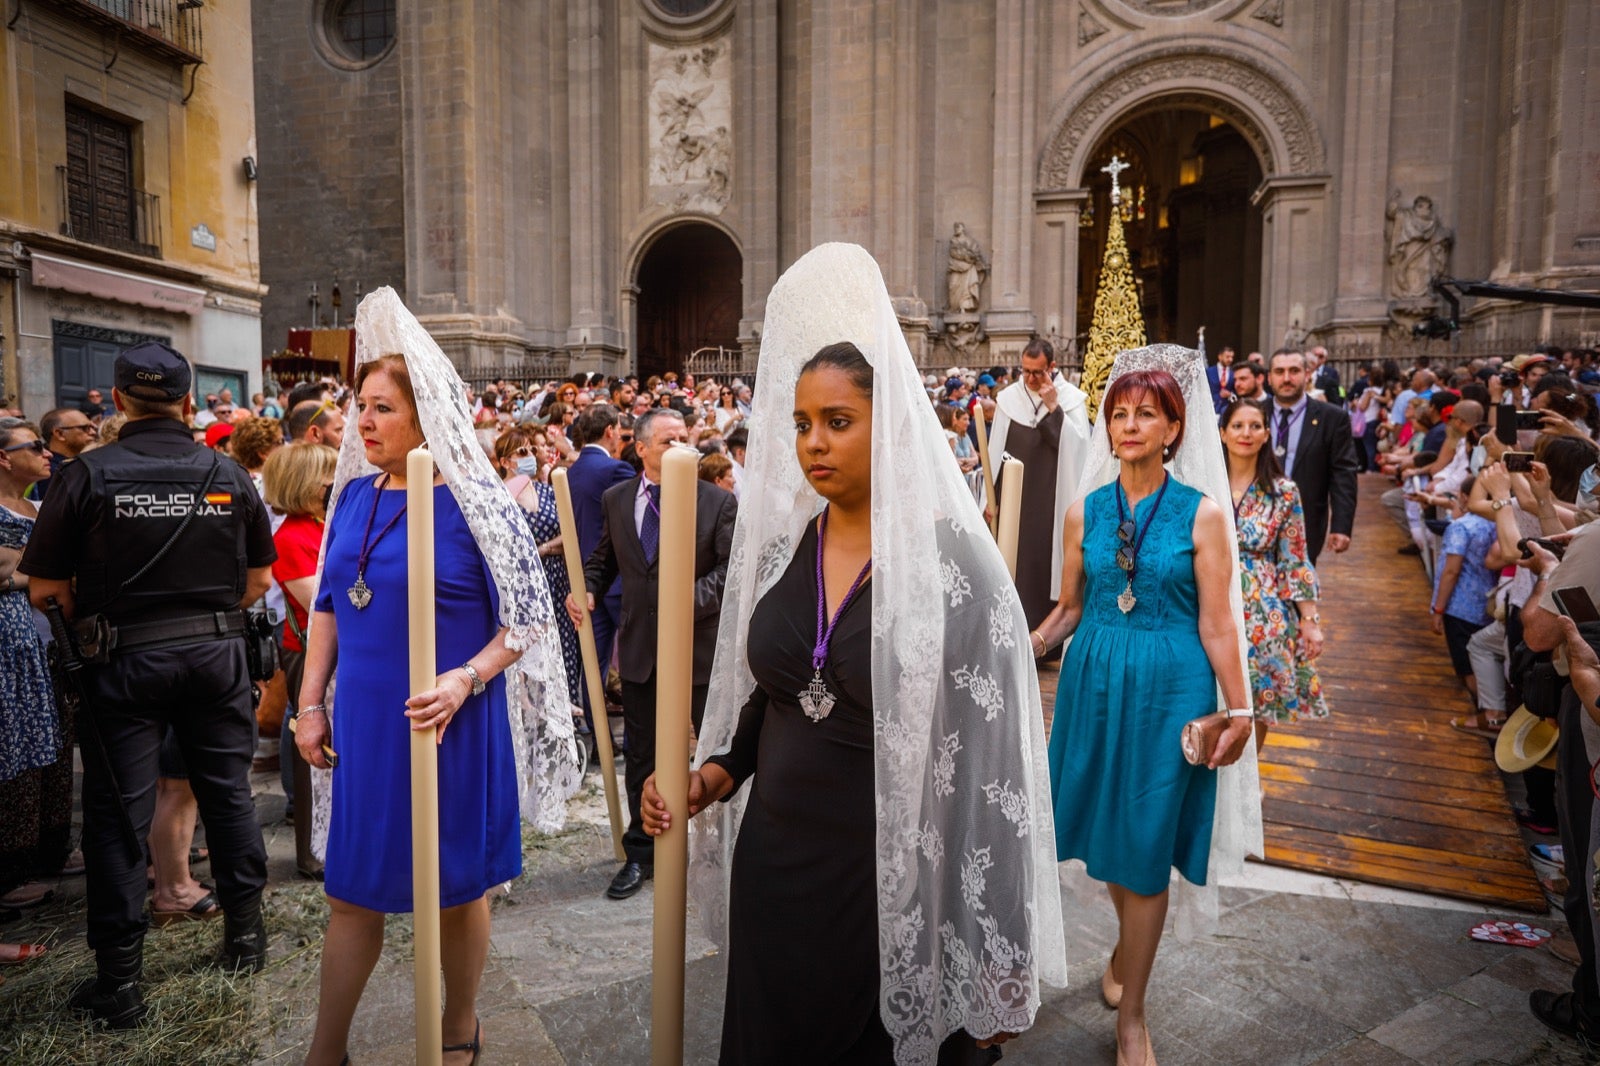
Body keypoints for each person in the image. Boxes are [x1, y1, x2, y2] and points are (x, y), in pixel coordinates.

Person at [656, 243, 1064, 1064]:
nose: (814, 443)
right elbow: (772, 692)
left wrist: (998, 947)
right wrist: (713, 775)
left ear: (893, 427)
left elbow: (996, 770)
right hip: (773, 868)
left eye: (838, 422)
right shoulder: (782, 551)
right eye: (802, 424)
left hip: (889, 880)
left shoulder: (952, 565)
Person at [292, 290, 579, 1065]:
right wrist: (310, 703)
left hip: (452, 719)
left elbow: (526, 621)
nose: (364, 422)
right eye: (360, 406)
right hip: (368, 724)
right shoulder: (351, 495)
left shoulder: (482, 506)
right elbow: (327, 606)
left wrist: (464, 679)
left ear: (425, 417)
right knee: (350, 892)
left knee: (457, 891)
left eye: (382, 407)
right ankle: (326, 1050)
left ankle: (460, 1026)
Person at [19, 343, 275, 1027]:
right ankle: (247, 941)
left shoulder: (85, 474)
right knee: (228, 798)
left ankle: (121, 984)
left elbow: (47, 591)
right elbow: (259, 582)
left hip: (122, 663)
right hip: (216, 658)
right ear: (189, 402)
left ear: (120, 398)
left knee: (117, 819)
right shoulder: (226, 471)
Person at [1035, 347, 1261, 1066]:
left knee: (1148, 847)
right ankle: (1125, 958)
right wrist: (1019, 644)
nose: (1129, 426)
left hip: (1172, 689)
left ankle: (1131, 1015)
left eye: (1147, 414)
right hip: (1093, 683)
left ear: (1173, 428)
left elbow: (1219, 622)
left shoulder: (1202, 516)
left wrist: (1241, 710)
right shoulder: (1083, 512)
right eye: (1119, 414)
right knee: (1109, 840)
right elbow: (1069, 607)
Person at [567, 407, 737, 901]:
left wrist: (685, 601)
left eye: (686, 438)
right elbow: (604, 559)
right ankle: (643, 853)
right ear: (640, 448)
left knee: (714, 749)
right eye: (668, 440)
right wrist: (587, 590)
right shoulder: (618, 499)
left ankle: (719, 849)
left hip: (699, 651)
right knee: (641, 758)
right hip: (642, 650)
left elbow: (730, 572)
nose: (682, 446)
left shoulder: (716, 503)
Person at [0, 418, 73, 940]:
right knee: (15, 747)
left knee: (51, 741)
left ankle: (48, 851)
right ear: (5, 458)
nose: (47, 454)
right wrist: (36, 574)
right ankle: (10, 871)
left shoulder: (40, 506)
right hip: (10, 644)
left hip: (47, 643)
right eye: (34, 447)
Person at [1220, 399, 1327, 738]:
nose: (1246, 433)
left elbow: (1294, 558)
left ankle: (1251, 788)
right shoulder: (1203, 488)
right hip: (1211, 599)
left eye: (1255, 426)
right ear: (1222, 433)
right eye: (1237, 426)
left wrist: (1309, 621)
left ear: (1267, 434)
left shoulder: (1283, 492)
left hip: (1264, 610)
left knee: (1259, 700)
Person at [261, 441, 338, 879]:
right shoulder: (291, 536)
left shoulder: (319, 525)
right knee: (315, 746)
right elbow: (322, 604)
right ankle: (314, 852)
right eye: (327, 477)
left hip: (323, 647)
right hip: (306, 651)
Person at [986, 337, 1091, 654]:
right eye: (1026, 371)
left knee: (1048, 563)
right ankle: (1014, 639)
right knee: (1015, 565)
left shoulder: (1071, 400)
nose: (1030, 378)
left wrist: (1052, 407)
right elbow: (995, 451)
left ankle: (1049, 642)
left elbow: (1079, 451)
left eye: (1037, 372)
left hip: (1053, 499)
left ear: (1052, 368)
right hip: (1015, 502)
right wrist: (990, 499)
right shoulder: (1008, 398)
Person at [564, 405, 635, 741]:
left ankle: (600, 736)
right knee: (638, 662)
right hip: (617, 578)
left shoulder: (572, 471)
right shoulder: (615, 469)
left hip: (583, 580)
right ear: (610, 430)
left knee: (594, 665)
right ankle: (638, 734)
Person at [1266, 348, 1359, 563]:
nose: (1287, 378)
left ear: (1307, 375)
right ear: (1270, 378)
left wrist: (1341, 526)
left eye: (1294, 371)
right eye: (1279, 372)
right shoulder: (1254, 414)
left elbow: (1343, 473)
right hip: (1255, 520)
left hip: (1305, 521)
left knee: (1299, 591)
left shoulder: (1332, 418)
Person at [32, 406, 98, 500]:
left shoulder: (77, 465)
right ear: (59, 434)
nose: (93, 432)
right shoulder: (49, 471)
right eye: (85, 428)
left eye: (93, 427)